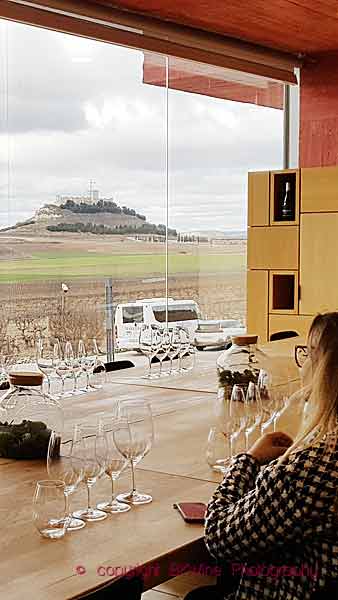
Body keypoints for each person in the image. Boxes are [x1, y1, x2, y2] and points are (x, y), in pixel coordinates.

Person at [185, 312, 338, 600]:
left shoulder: (306, 472)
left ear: (323, 369)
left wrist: (248, 460)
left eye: (306, 355)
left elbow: (218, 537)